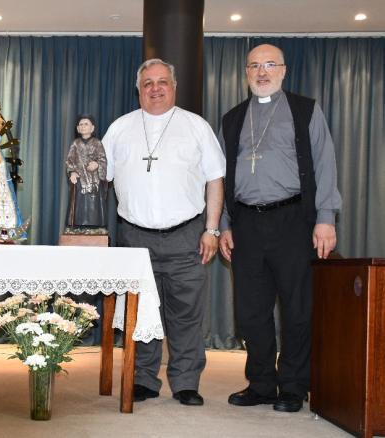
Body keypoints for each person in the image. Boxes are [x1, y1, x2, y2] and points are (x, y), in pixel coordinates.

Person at [219, 44, 342, 413]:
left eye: (270, 65)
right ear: (245, 73)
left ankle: (293, 385)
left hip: (293, 220)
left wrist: (326, 218)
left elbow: (325, 164)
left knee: (297, 308)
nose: (262, 72)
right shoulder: (232, 118)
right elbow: (222, 175)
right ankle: (260, 383)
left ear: (284, 70)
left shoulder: (305, 110)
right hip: (245, 222)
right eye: (254, 65)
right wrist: (224, 222)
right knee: (250, 310)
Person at [103, 58, 225, 406]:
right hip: (134, 237)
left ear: (174, 87)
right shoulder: (120, 129)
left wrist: (212, 230)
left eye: (162, 82)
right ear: (138, 89)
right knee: (141, 312)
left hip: (187, 234)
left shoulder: (196, 126)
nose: (155, 88)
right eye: (147, 83)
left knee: (186, 312)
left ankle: (186, 382)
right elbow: (98, 178)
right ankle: (143, 378)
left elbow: (215, 179)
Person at [65, 115, 107, 228]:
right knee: (79, 204)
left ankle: (94, 226)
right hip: (79, 181)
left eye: (86, 124)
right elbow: (69, 160)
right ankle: (77, 225)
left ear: (92, 128)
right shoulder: (75, 143)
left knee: (93, 206)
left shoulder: (97, 143)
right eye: (81, 124)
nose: (83, 126)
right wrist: (72, 172)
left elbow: (103, 159)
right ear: (78, 128)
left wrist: (97, 164)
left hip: (93, 180)